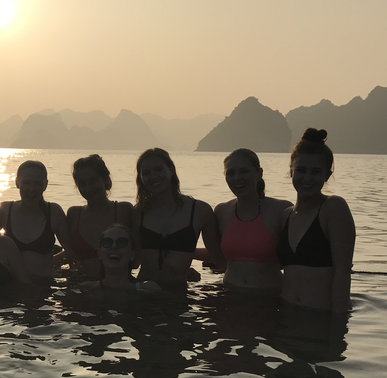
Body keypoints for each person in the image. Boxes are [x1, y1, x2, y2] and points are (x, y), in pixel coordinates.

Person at [277, 128, 356, 312]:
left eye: (315, 172)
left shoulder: (333, 208)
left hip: (321, 317)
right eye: (301, 170)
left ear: (327, 175)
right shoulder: (285, 215)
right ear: (291, 171)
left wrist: (338, 326)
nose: (307, 178)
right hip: (286, 316)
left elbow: (342, 273)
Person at [134, 148, 221, 286]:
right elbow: (132, 262)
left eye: (159, 170)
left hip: (179, 294)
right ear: (141, 179)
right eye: (146, 173)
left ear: (171, 170)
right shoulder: (138, 213)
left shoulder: (199, 211)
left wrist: (184, 256)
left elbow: (217, 258)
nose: (153, 176)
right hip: (143, 292)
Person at [214, 149, 292, 289]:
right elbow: (220, 254)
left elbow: (296, 261)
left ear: (259, 173)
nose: (237, 178)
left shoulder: (281, 210)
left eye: (244, 171)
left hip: (269, 297)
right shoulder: (221, 211)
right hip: (229, 296)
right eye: (230, 173)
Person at [0, 160, 69, 283]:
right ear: (17, 182)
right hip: (10, 288)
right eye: (26, 183)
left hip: (44, 290)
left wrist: (53, 264)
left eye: (37, 184)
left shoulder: (54, 212)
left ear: (45, 185)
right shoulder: (3, 210)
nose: (31, 189)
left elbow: (71, 251)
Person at [64, 155, 133, 279]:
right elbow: (70, 253)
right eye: (82, 184)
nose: (88, 188)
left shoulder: (124, 210)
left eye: (93, 181)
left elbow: (138, 254)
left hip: (116, 288)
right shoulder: (74, 214)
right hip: (79, 289)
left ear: (105, 179)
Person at [95, 223, 160, 292]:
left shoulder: (149, 289)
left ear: (132, 255)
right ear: (99, 254)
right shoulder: (87, 288)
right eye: (107, 242)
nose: (114, 246)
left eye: (122, 242)